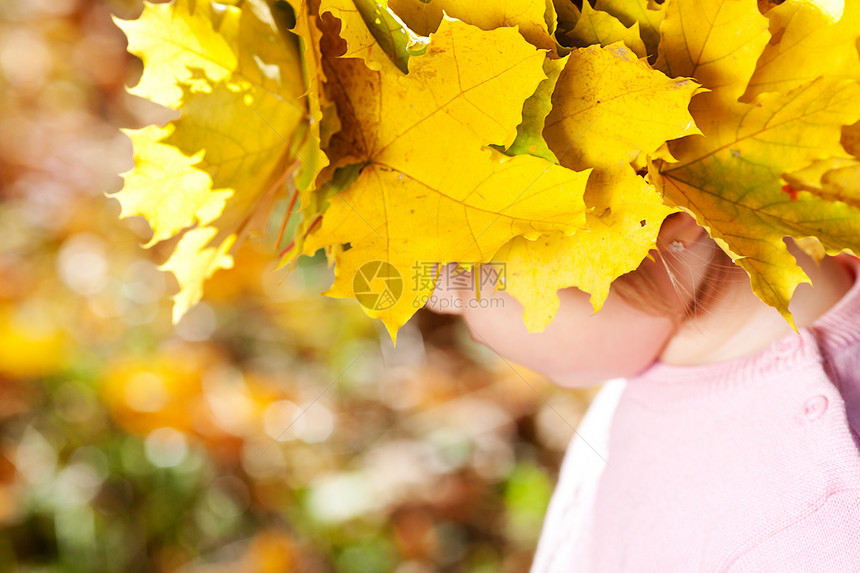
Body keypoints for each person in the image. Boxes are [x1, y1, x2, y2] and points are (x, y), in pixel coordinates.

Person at [429, 212, 860, 570]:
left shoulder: (814, 534)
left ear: (656, 221)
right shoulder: (658, 358)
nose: (445, 303)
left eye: (470, 278)